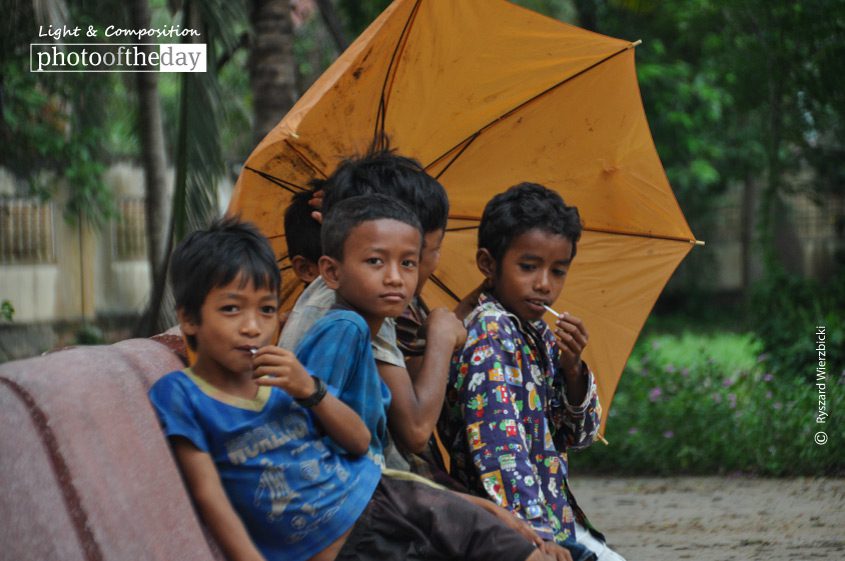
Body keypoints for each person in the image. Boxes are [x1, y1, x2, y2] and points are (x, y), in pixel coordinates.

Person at [148, 217, 546, 561]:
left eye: (266, 310)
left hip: (382, 496)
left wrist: (310, 390)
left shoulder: (282, 377)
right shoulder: (181, 394)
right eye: (231, 309)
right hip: (348, 543)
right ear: (188, 319)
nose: (253, 327)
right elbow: (208, 494)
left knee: (514, 548)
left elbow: (357, 441)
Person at [438, 183, 626, 561]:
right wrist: (536, 538)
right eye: (528, 267)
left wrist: (573, 370)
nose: (544, 284)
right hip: (513, 529)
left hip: (553, 515)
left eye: (558, 271)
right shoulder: (490, 332)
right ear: (488, 265)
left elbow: (581, 434)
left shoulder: (536, 331)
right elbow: (499, 448)